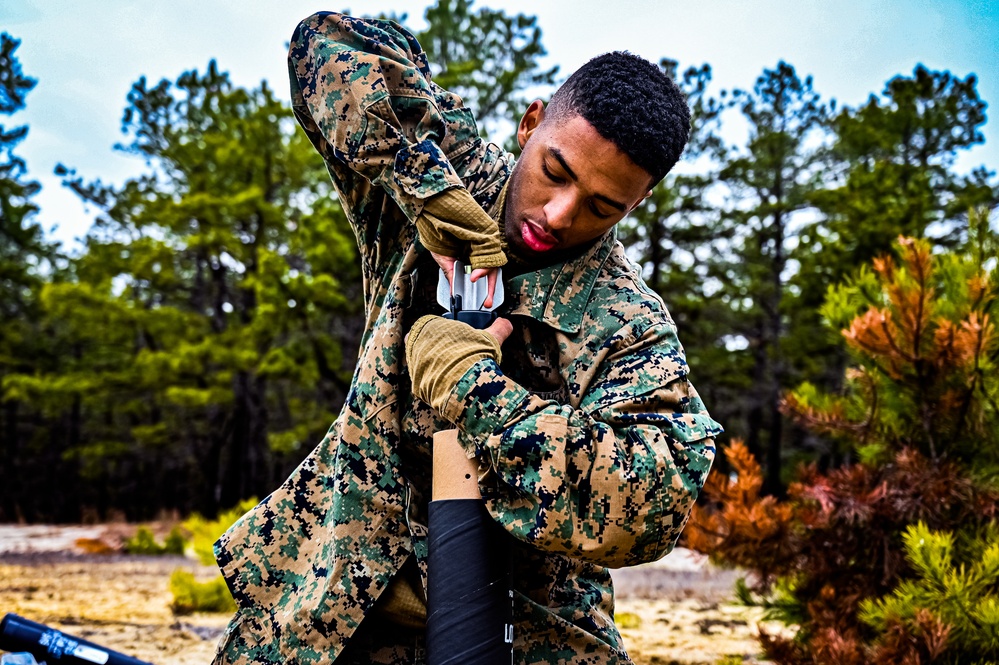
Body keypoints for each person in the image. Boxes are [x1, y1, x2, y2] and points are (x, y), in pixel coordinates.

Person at [212, 10, 722, 665]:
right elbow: (324, 45)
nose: (557, 214)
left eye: (601, 205)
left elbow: (654, 500)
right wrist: (426, 189)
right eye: (555, 171)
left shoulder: (623, 321)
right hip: (329, 603)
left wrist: (476, 393)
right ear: (531, 122)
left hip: (524, 631)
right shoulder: (450, 166)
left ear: (638, 203)